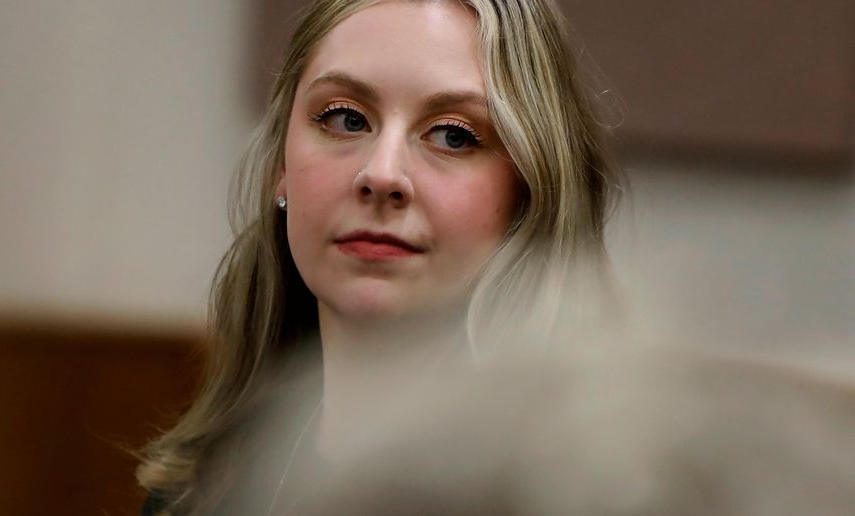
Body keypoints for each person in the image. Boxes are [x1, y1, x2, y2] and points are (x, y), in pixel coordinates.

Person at [137, 0, 615, 514]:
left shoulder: (584, 495)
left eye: (454, 135)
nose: (383, 174)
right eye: (345, 118)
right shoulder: (198, 493)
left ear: (530, 192)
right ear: (282, 164)